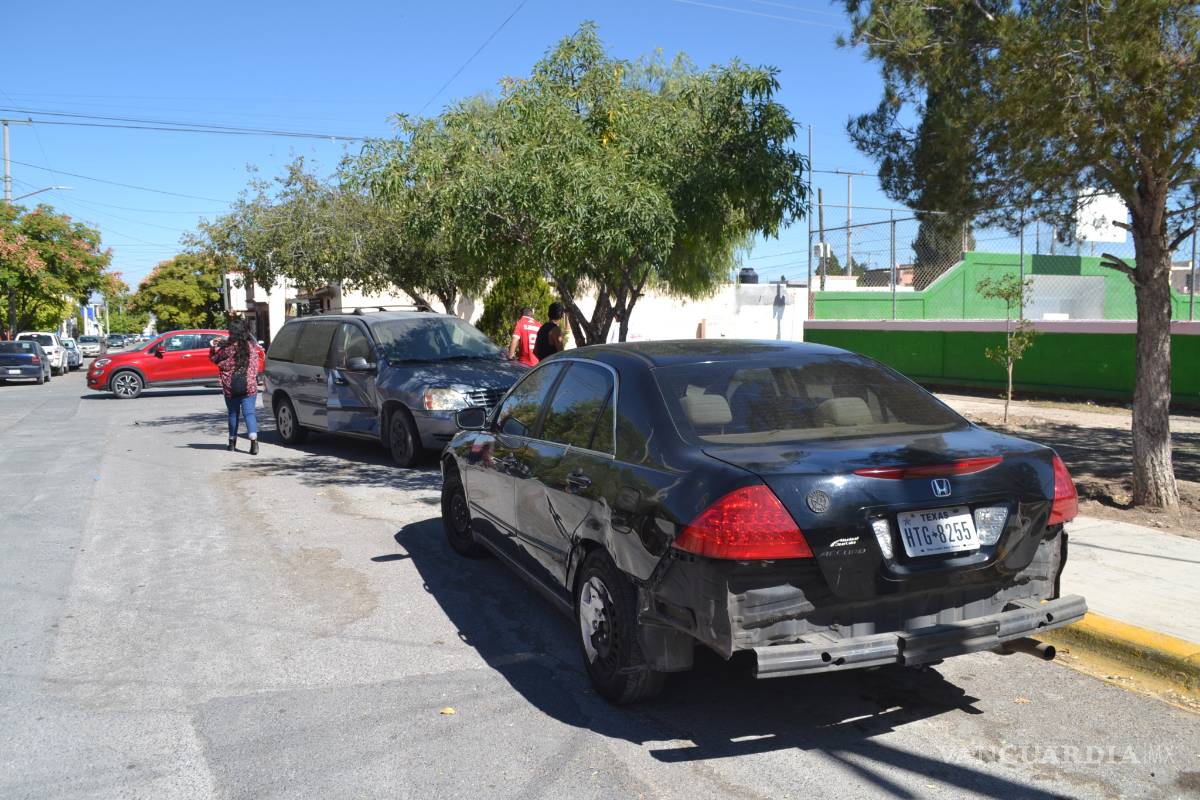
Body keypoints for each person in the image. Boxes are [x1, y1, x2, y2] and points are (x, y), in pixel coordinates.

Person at [209, 318, 264, 454]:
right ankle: (254, 442)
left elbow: (215, 359)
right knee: (249, 413)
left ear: (231, 332)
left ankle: (231, 443)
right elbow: (256, 364)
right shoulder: (251, 346)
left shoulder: (227, 348)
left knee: (233, 414)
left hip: (230, 387)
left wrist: (212, 346)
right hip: (249, 386)